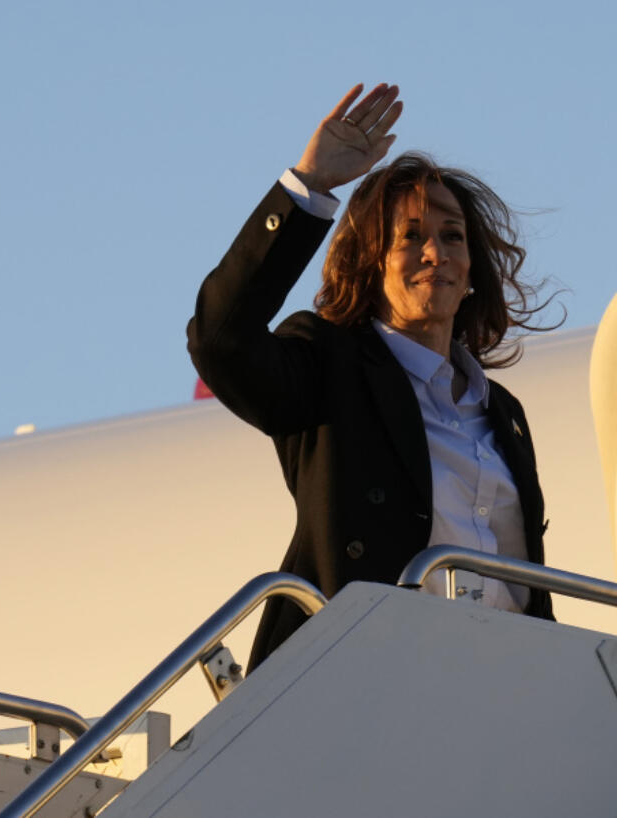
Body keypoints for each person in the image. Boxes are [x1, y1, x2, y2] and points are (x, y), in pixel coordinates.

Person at [188, 83, 555, 670]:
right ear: (369, 262)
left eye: (452, 236)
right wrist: (309, 185)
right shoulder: (328, 367)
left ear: (472, 271)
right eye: (410, 237)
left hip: (505, 682)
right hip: (365, 683)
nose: (435, 251)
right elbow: (219, 339)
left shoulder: (502, 412)